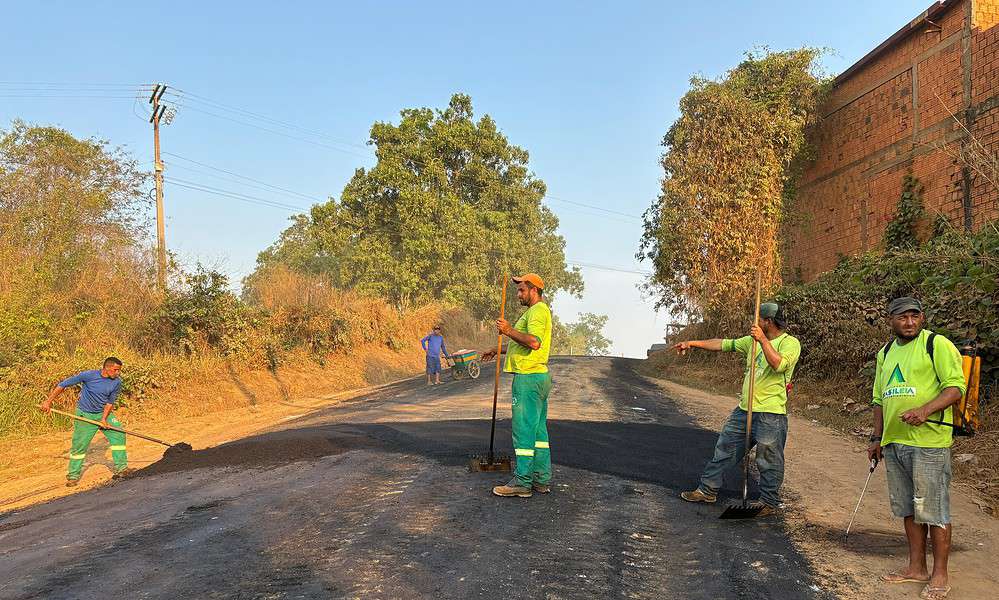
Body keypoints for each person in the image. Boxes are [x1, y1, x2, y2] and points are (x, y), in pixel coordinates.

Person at [868, 297, 965, 600]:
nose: (909, 323)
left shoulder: (936, 345)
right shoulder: (885, 353)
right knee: (908, 509)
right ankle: (916, 568)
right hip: (894, 442)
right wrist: (876, 438)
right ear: (890, 320)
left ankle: (940, 575)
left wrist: (925, 410)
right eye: (902, 317)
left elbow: (955, 388)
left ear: (922, 318)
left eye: (914, 316)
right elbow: (879, 399)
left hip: (929, 443)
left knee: (933, 509)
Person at [673, 302, 801, 515]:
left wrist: (762, 340)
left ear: (768, 322)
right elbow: (722, 344)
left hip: (771, 413)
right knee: (725, 449)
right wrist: (691, 343)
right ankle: (707, 490)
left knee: (769, 460)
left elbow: (778, 365)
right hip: (744, 410)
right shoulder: (749, 342)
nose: (755, 323)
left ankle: (768, 502)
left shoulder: (790, 343)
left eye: (759, 319)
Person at [482, 273, 553, 498]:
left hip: (528, 379)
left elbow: (533, 342)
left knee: (523, 430)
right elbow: (523, 343)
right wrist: (498, 348)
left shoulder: (538, 311)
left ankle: (522, 482)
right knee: (538, 432)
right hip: (539, 377)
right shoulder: (536, 312)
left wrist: (508, 330)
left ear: (534, 290)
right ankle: (541, 479)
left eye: (522, 290)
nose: (518, 294)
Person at [39, 357, 131, 486]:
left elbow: (110, 402)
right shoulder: (88, 375)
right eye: (116, 370)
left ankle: (122, 468)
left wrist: (104, 419)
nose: (118, 373)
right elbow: (63, 385)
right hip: (85, 415)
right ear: (107, 368)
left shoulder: (116, 382)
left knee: (119, 433)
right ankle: (73, 476)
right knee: (79, 445)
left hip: (103, 414)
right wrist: (48, 402)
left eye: (119, 370)